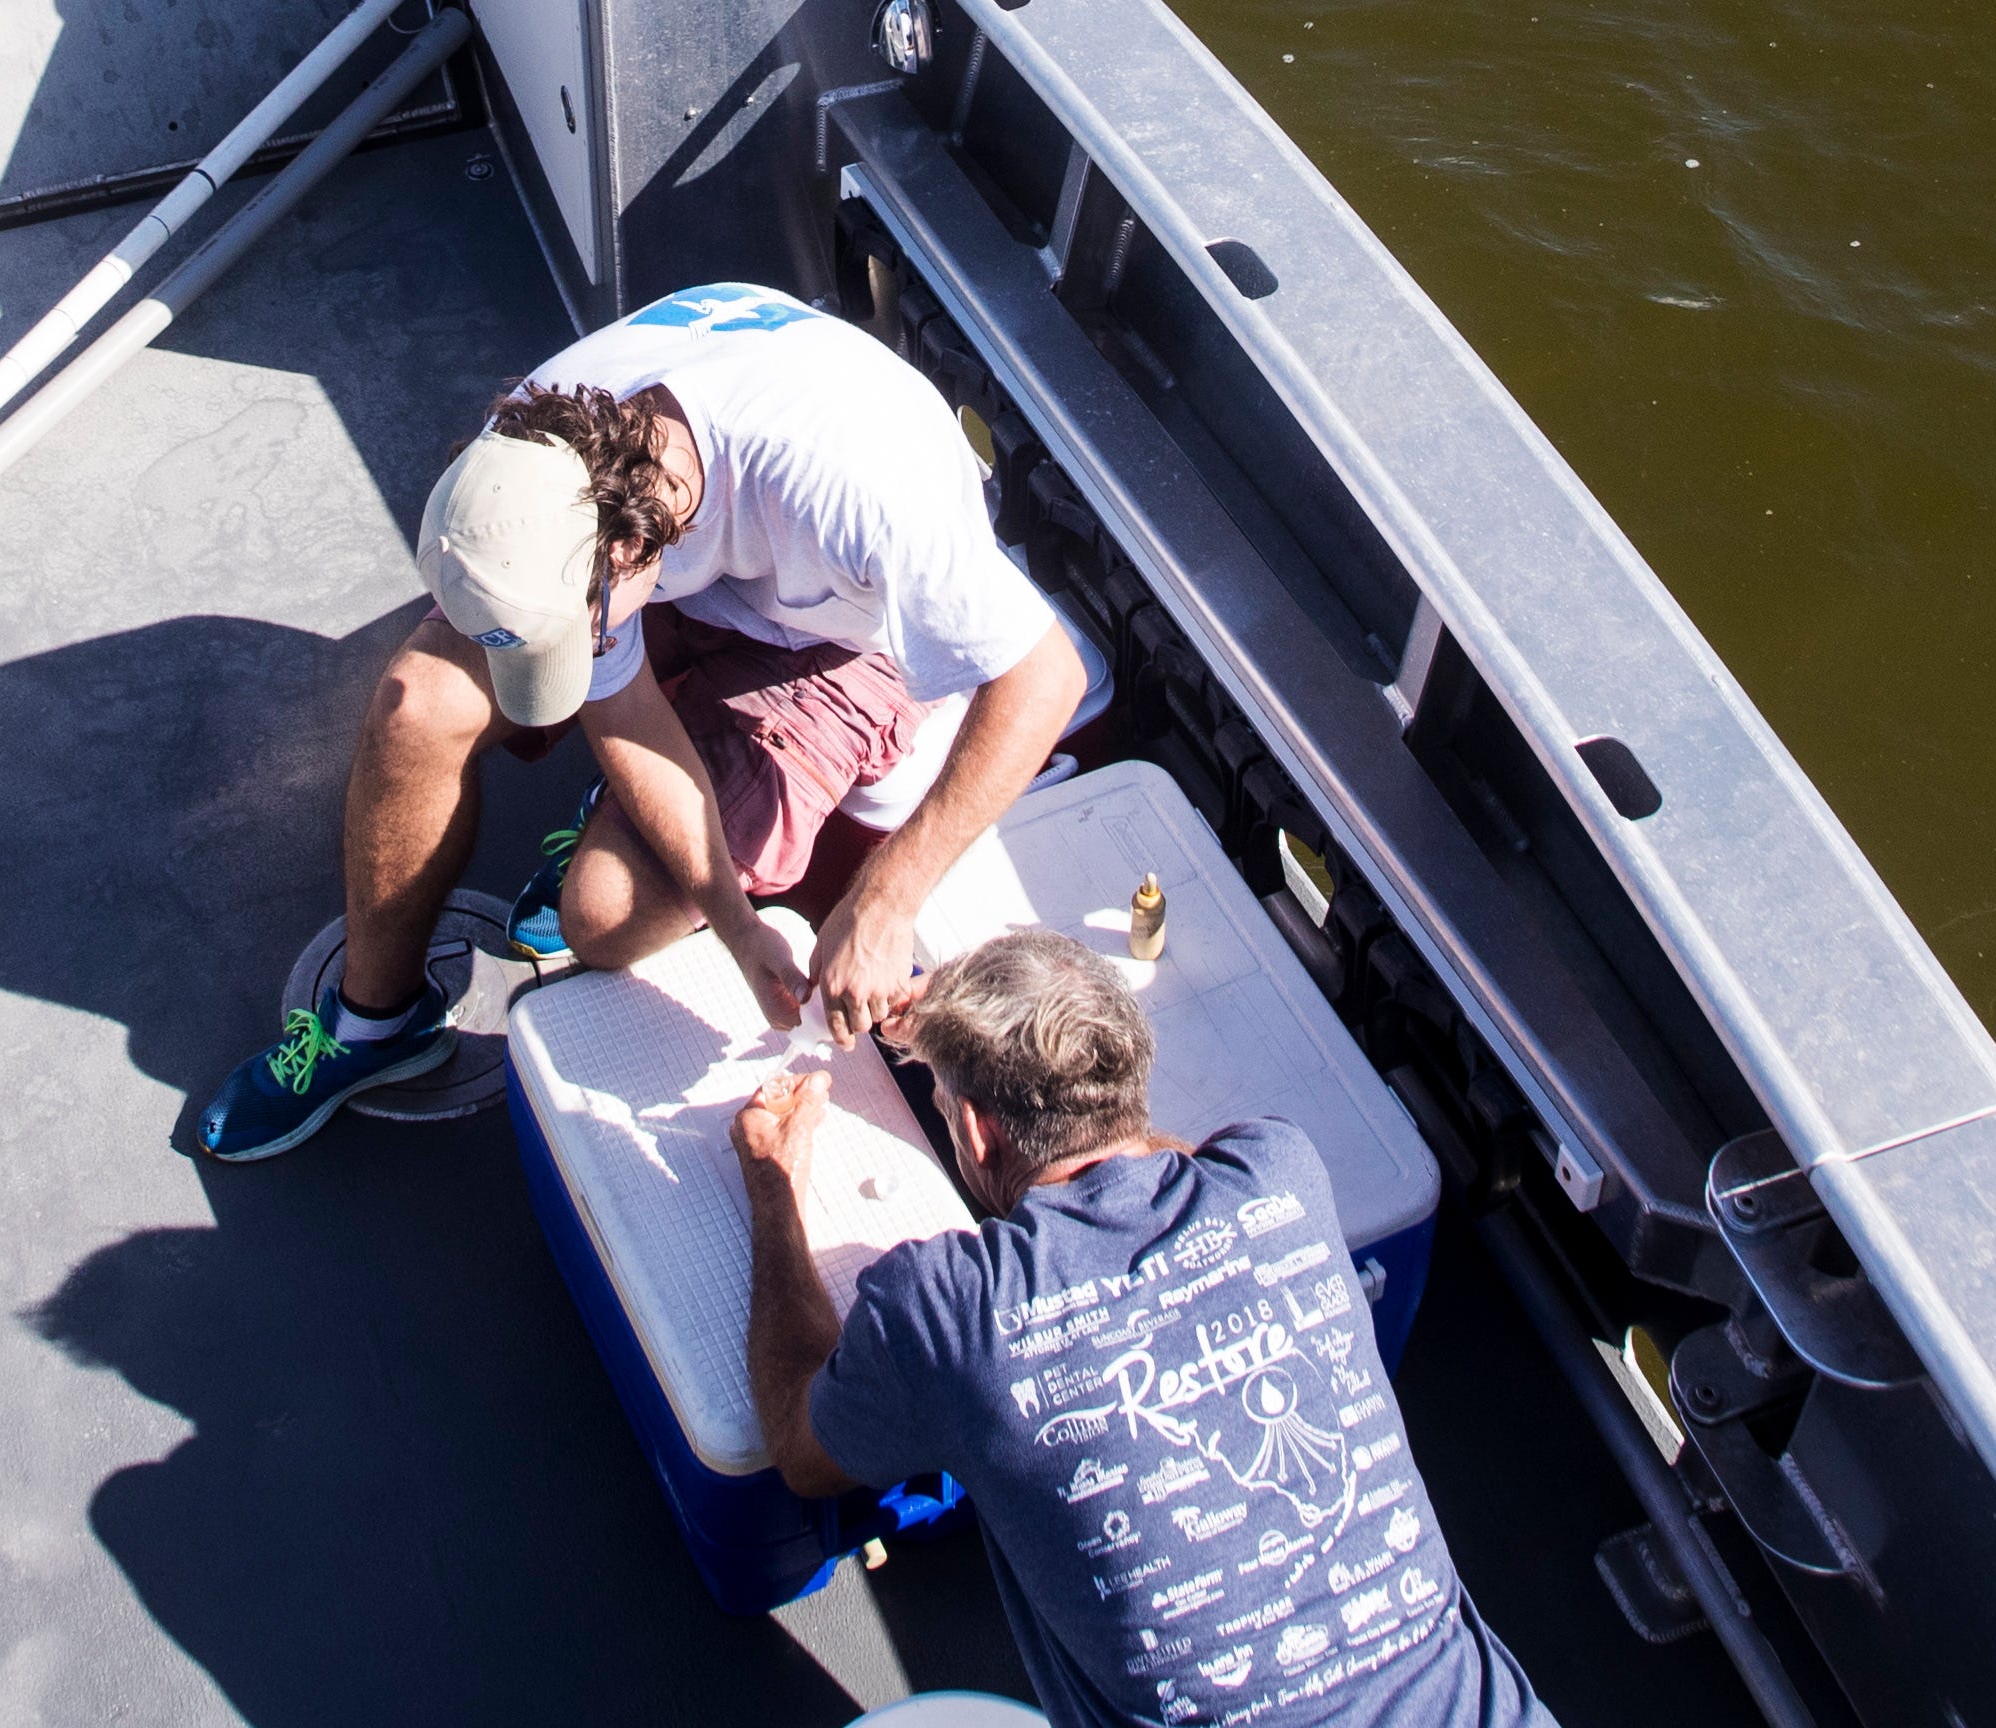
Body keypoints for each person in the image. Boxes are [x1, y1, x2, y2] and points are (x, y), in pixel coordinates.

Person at [196, 280, 1090, 1161]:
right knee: (415, 707)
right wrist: (740, 928)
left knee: (605, 917)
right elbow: (618, 700)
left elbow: (1047, 676)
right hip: (699, 581)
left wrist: (888, 899)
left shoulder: (858, 488)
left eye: (568, 641)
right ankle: (370, 1025)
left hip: (849, 637)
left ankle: (655, 808)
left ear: (629, 549)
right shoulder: (535, 460)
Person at [736, 933, 1551, 1728]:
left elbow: (801, 1448)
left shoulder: (950, 1309)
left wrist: (775, 1178)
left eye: (948, 1105)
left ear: (977, 1133)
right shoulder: (1281, 1174)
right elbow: (1156, 1157)